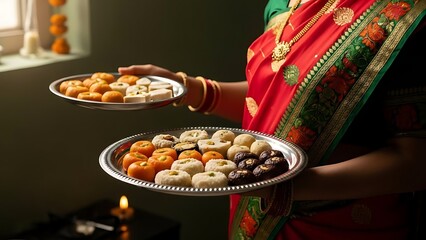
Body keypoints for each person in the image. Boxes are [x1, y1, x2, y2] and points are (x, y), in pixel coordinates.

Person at [119, 0, 426, 239]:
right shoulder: (285, 5)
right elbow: (274, 99)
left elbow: (415, 162)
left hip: (344, 223)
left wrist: (286, 188)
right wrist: (191, 90)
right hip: (257, 209)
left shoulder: (404, 16)